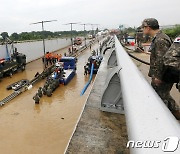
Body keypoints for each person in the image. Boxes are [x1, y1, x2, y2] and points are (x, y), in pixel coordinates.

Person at [141, 18, 180, 119]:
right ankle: (177, 113)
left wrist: (158, 77)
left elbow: (161, 60)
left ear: (148, 28)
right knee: (164, 96)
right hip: (163, 75)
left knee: (160, 99)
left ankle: (162, 120)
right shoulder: (160, 37)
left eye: (143, 27)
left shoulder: (160, 40)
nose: (142, 30)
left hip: (162, 76)